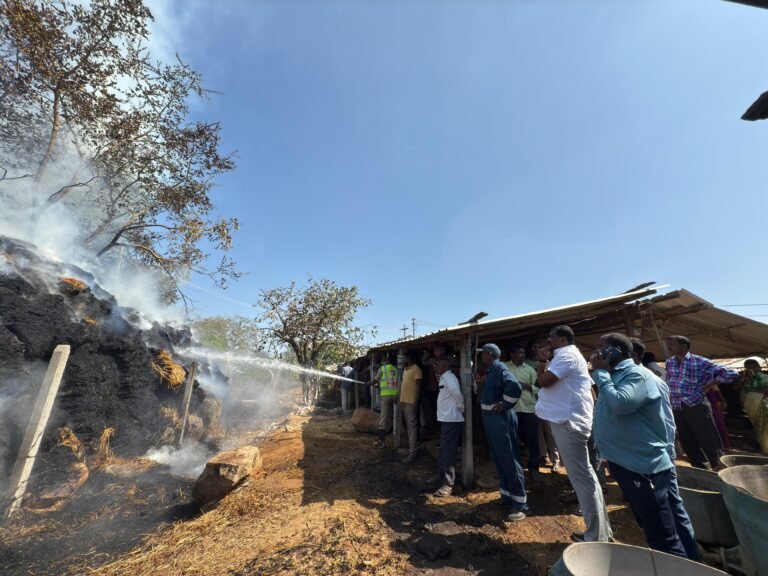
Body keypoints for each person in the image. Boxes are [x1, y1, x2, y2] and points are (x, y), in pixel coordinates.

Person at [591, 333, 698, 559]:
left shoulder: (636, 375)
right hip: (626, 461)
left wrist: (599, 373)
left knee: (662, 530)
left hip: (644, 464)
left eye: (601, 348)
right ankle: (688, 560)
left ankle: (681, 565)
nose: (596, 353)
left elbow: (621, 403)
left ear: (615, 351)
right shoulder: (615, 375)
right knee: (654, 520)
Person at [536, 325, 612, 542]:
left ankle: (595, 536)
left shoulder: (567, 356)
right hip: (569, 421)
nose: (547, 341)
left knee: (582, 478)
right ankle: (601, 530)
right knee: (586, 477)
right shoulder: (565, 356)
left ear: (561, 339)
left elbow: (543, 381)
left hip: (569, 423)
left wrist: (542, 365)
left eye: (550, 337)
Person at [629, 337, 700, 561]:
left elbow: (664, 422)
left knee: (670, 506)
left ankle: (689, 559)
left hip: (657, 455)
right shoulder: (638, 378)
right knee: (662, 508)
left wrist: (667, 451)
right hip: (648, 454)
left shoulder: (646, 379)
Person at [665, 336, 739, 469]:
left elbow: (731, 373)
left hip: (696, 404)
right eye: (668, 344)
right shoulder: (670, 362)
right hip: (676, 405)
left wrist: (709, 385)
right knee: (687, 440)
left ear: (684, 346)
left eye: (672, 344)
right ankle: (700, 468)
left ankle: (720, 468)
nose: (669, 347)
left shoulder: (699, 361)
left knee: (708, 438)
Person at [475, 343, 528, 522]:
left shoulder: (500, 368)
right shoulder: (491, 370)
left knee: (509, 458)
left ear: (490, 354)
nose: (481, 357)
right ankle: (506, 496)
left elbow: (515, 386)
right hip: (491, 419)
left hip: (500, 419)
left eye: (483, 354)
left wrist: (504, 404)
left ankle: (520, 504)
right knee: (499, 457)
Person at [505, 344, 542, 483]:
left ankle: (534, 469)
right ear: (512, 354)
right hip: (511, 409)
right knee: (513, 440)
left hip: (528, 409)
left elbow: (539, 389)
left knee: (532, 441)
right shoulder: (505, 368)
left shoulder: (530, 370)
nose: (523, 355)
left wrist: (528, 387)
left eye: (523, 353)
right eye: (519, 352)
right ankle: (515, 469)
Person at [432, 355, 465, 497]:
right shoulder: (445, 377)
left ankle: (448, 483)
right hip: (446, 419)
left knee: (448, 451)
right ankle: (440, 477)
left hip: (452, 419)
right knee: (443, 449)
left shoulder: (449, 377)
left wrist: (461, 408)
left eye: (437, 365)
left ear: (444, 365)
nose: (436, 367)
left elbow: (457, 394)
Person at [526, 341, 560, 472]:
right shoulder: (527, 365)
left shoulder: (552, 363)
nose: (538, 350)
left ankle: (556, 460)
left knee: (550, 431)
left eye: (539, 347)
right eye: (535, 347)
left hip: (549, 402)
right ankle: (543, 455)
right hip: (534, 401)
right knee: (538, 431)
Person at [400, 350, 423, 464]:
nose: (403, 359)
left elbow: (418, 387)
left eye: (404, 357)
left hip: (411, 402)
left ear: (409, 358)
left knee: (412, 427)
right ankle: (411, 449)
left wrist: (415, 401)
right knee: (409, 427)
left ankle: (413, 453)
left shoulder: (417, 369)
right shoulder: (405, 370)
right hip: (405, 401)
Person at [371, 354, 399, 447]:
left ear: (387, 360)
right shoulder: (397, 369)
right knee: (398, 416)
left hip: (386, 396)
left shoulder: (383, 368)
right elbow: (391, 382)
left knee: (383, 419)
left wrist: (368, 383)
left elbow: (375, 380)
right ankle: (397, 439)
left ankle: (381, 442)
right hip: (396, 395)